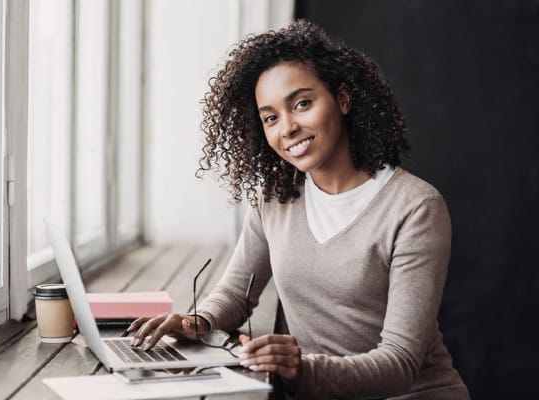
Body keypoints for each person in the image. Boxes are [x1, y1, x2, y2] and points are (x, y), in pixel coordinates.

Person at [127, 20, 470, 399]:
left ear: (342, 99)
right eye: (270, 117)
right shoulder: (275, 199)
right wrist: (195, 322)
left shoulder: (415, 208)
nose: (287, 128)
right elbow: (236, 294)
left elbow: (400, 364)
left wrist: (302, 370)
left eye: (302, 104)